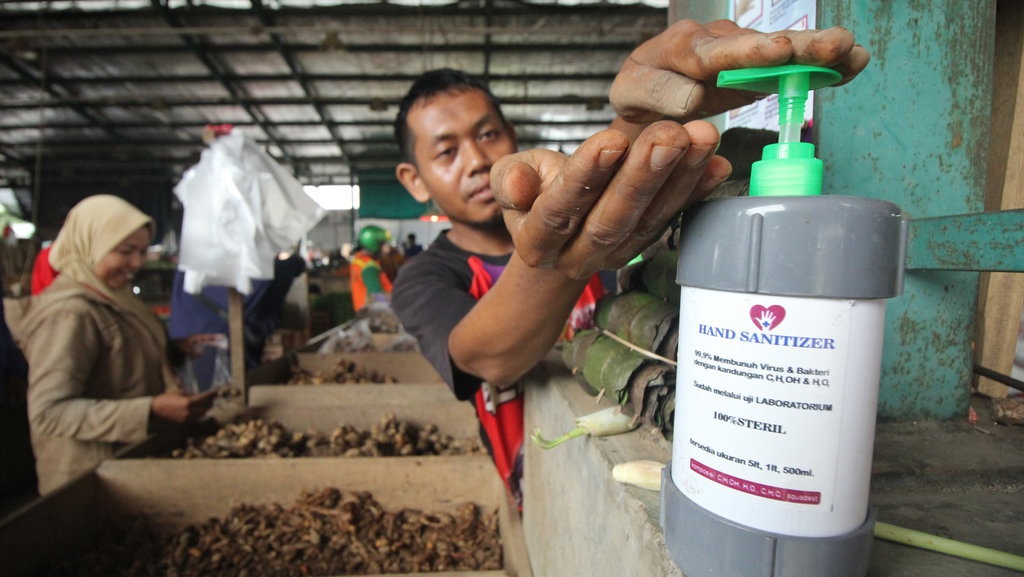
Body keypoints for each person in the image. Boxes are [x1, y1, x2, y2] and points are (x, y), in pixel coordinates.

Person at [390, 19, 869, 505]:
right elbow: (489, 359)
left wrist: (640, 115)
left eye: (487, 134)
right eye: (447, 151)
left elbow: (612, 178)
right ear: (413, 179)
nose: (474, 159)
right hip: (536, 496)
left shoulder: (594, 218)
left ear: (511, 134)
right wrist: (562, 253)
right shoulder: (423, 279)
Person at [14, 195, 218, 494]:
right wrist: (150, 410)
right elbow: (49, 414)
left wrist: (172, 349)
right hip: (88, 483)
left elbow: (113, 357)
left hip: (126, 468)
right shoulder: (69, 314)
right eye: (125, 251)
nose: (137, 263)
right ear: (90, 245)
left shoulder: (113, 298)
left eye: (142, 251)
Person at [168, 252, 307, 391]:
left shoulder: (190, 262)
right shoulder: (238, 269)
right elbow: (263, 283)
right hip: (215, 355)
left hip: (190, 353)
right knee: (220, 399)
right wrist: (295, 261)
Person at [349, 225, 394, 311]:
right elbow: (376, 295)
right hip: (375, 314)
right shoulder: (369, 268)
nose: (388, 249)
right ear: (374, 244)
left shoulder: (358, 261)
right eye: (384, 244)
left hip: (364, 312)